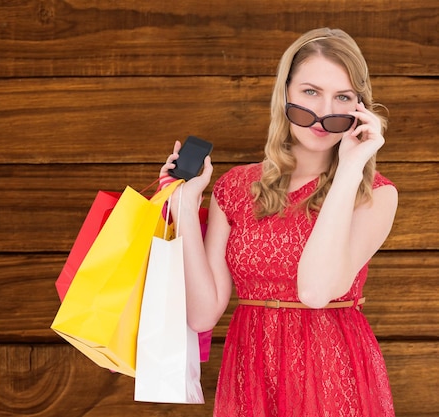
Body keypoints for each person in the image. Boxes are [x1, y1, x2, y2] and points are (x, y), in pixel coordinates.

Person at [160, 28, 398, 416]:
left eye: (342, 97)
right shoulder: (235, 186)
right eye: (310, 92)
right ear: (284, 93)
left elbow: (316, 292)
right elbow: (203, 314)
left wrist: (351, 168)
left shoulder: (374, 194)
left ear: (360, 108)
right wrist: (185, 207)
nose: (324, 112)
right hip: (250, 373)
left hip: (330, 374)